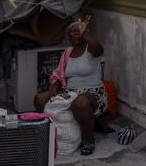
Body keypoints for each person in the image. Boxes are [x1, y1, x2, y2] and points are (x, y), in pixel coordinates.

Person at [34, 16, 109, 156]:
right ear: (68, 36)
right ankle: (49, 136)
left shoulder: (91, 50)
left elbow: (99, 49)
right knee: (40, 99)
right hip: (70, 92)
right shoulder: (67, 52)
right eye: (73, 32)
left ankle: (88, 140)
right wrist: (55, 85)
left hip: (93, 93)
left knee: (80, 103)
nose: (76, 34)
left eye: (78, 31)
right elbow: (58, 73)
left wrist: (84, 33)